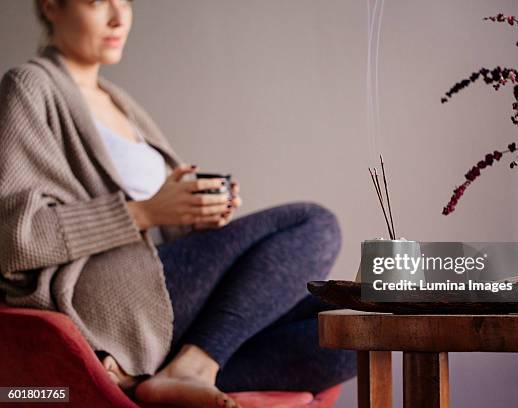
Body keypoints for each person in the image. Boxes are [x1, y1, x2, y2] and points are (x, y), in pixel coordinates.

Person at [0, 1, 356, 407]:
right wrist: (144, 212)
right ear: (51, 6)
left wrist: (196, 216)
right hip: (101, 293)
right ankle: (193, 366)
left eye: (125, 1)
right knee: (314, 223)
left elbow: (158, 222)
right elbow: (15, 237)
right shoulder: (29, 85)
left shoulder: (118, 102)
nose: (119, 18)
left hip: (160, 291)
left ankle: (153, 378)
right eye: (98, 2)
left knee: (352, 328)